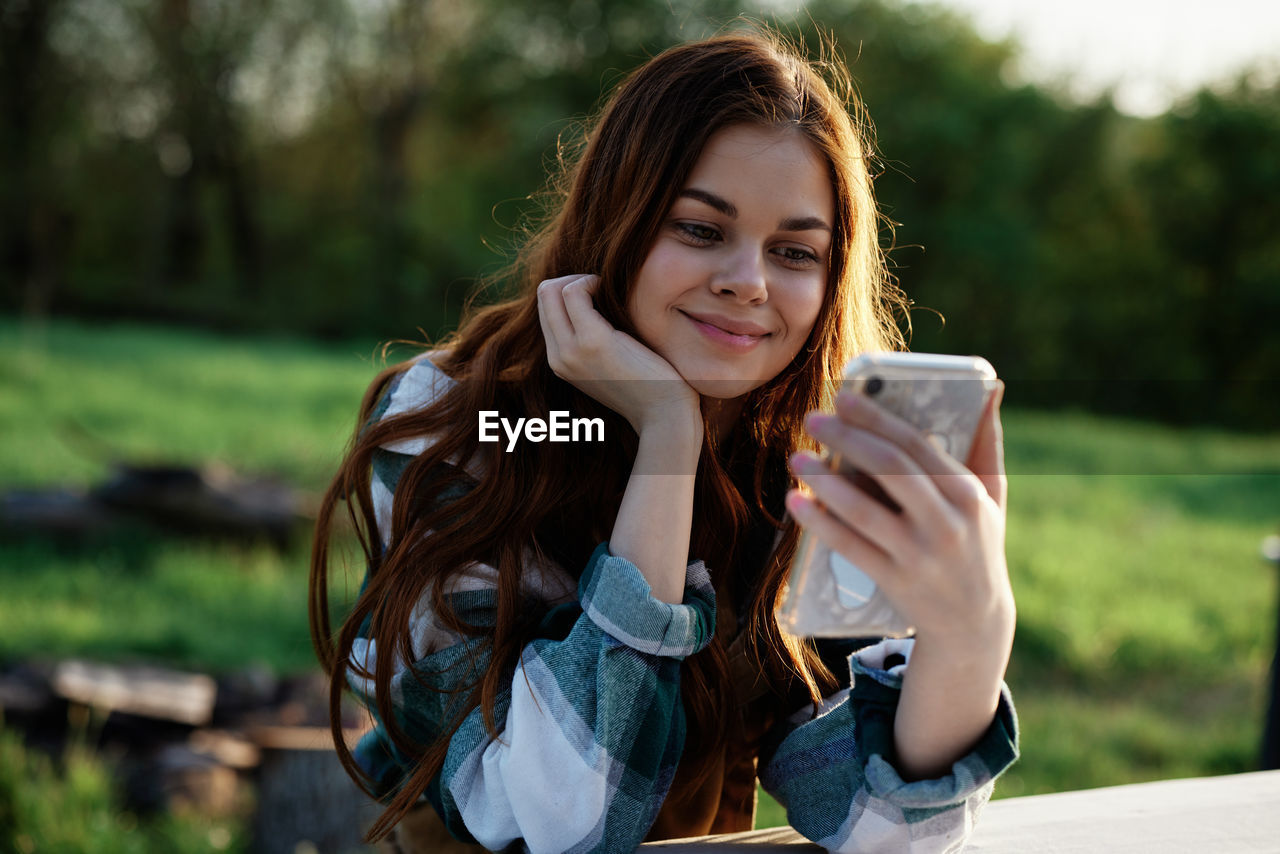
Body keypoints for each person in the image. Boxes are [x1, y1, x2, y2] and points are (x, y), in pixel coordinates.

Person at [309, 26, 1018, 854]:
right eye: (700, 229)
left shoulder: (807, 459)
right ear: (620, 219)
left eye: (794, 251)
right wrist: (668, 436)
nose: (748, 282)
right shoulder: (461, 421)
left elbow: (884, 832)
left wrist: (973, 632)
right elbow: (555, 822)